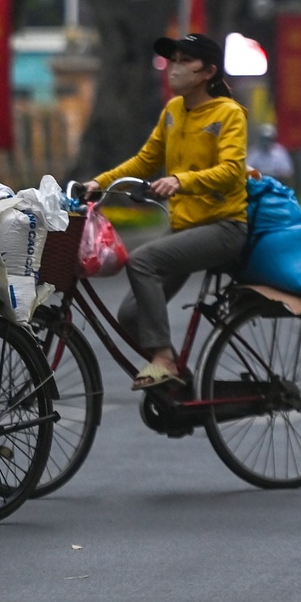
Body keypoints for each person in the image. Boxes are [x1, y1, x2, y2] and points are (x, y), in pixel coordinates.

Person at [85, 33, 248, 392]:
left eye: (185, 60)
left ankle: (163, 359)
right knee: (130, 314)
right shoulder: (173, 111)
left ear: (208, 72)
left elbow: (233, 170)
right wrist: (98, 183)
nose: (174, 67)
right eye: (173, 59)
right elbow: (145, 161)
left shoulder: (228, 113)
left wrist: (181, 181)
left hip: (224, 228)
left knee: (141, 261)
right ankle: (180, 386)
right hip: (185, 229)